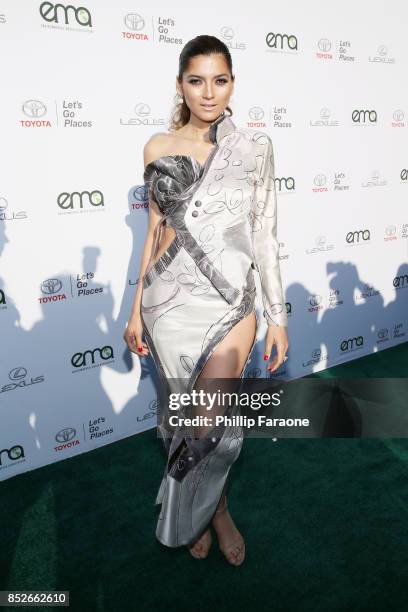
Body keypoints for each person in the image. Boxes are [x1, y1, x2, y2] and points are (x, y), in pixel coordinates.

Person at [124, 34, 289, 566]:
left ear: (232, 84)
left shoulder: (254, 148)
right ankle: (211, 511)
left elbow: (264, 231)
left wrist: (277, 316)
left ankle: (205, 510)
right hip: (167, 302)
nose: (208, 92)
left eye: (220, 80)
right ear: (181, 85)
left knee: (213, 424)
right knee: (183, 420)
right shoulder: (156, 147)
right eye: (196, 81)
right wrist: (133, 311)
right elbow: (153, 232)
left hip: (229, 301)